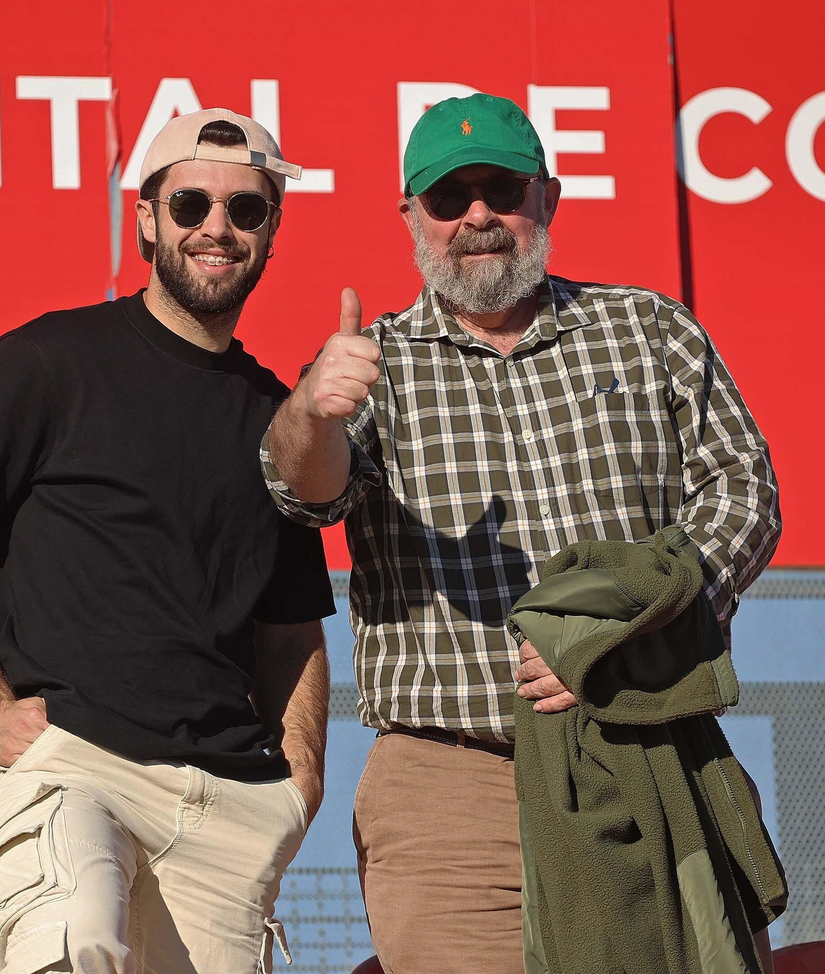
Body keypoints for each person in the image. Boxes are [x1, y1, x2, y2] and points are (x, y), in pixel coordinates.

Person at [261, 93, 782, 974]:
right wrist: (312, 407)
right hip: (455, 792)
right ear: (409, 217)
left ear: (547, 198)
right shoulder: (373, 365)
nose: (476, 217)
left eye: (500, 189)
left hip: (646, 749)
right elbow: (302, 489)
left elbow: (744, 492)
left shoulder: (649, 330)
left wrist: (620, 618)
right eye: (447, 196)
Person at [0, 108, 334, 974]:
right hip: (75, 763)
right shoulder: (48, 360)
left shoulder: (276, 415)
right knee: (70, 947)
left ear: (273, 231)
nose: (217, 227)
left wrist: (300, 781)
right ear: (146, 219)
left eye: (246, 210)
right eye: (191, 204)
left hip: (228, 805)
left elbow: (293, 630)